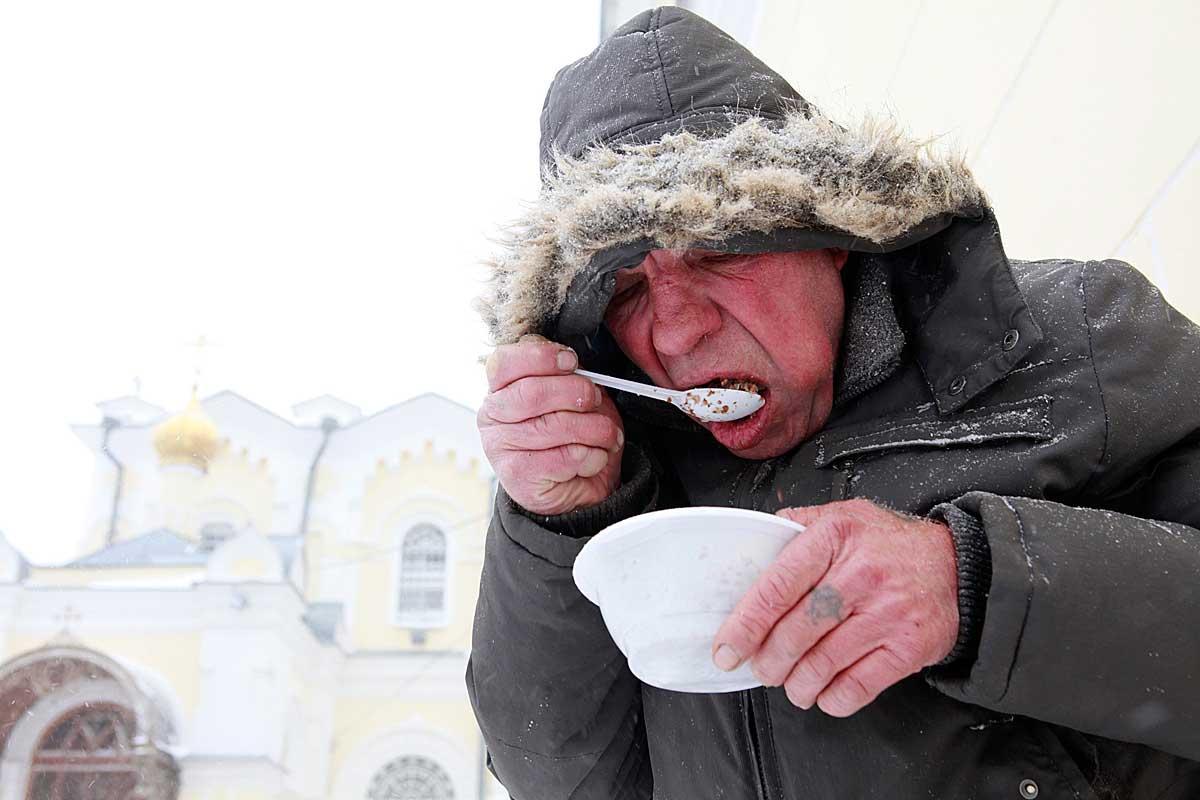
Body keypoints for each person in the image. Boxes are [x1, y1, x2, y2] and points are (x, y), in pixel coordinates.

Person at [466, 7, 1200, 799]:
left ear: (827, 231)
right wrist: (557, 526)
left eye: (717, 252)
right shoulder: (620, 484)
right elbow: (556, 779)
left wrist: (977, 586)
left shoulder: (1075, 334)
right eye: (628, 287)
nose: (675, 334)